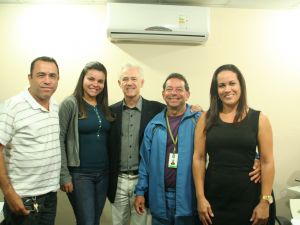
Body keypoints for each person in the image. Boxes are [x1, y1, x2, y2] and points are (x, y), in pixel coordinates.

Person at [192, 64, 275, 225]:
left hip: (249, 201)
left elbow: (267, 161)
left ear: (241, 86)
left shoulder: (260, 119)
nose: (227, 89)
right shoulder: (205, 119)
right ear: (216, 90)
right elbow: (199, 158)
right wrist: (200, 198)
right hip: (213, 200)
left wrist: (265, 202)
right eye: (221, 85)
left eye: (232, 83)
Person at [134, 73, 201, 225]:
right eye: (169, 89)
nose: (174, 93)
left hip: (188, 196)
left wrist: (256, 157)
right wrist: (140, 192)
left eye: (179, 89)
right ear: (163, 94)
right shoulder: (154, 125)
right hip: (159, 198)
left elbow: (223, 143)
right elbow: (145, 163)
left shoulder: (199, 120)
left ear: (187, 94)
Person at [0, 56, 60, 225]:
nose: (47, 81)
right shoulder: (13, 106)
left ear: (58, 79)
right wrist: (9, 193)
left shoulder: (55, 106)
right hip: (23, 199)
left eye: (52, 76)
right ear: (30, 78)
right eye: (41, 75)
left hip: (50, 197)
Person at [108, 64, 165, 225]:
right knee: (118, 223)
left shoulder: (157, 109)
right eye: (125, 79)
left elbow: (178, 111)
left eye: (134, 78)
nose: (129, 82)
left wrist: (196, 110)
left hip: (142, 180)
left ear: (142, 82)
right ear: (119, 83)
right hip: (117, 180)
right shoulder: (110, 112)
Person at [59, 61, 114, 225]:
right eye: (91, 79)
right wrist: (64, 176)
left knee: (94, 221)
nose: (95, 84)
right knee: (87, 222)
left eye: (100, 81)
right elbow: (59, 140)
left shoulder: (103, 106)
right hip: (80, 175)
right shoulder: (70, 104)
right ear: (82, 78)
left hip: (103, 174)